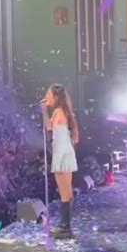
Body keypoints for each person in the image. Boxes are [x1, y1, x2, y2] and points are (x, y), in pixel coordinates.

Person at [41, 84, 79, 239]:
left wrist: (43, 110)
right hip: (66, 152)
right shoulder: (63, 112)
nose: (46, 97)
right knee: (67, 191)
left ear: (56, 97)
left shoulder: (58, 111)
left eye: (48, 94)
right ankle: (66, 226)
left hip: (61, 154)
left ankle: (65, 228)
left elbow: (49, 129)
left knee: (64, 193)